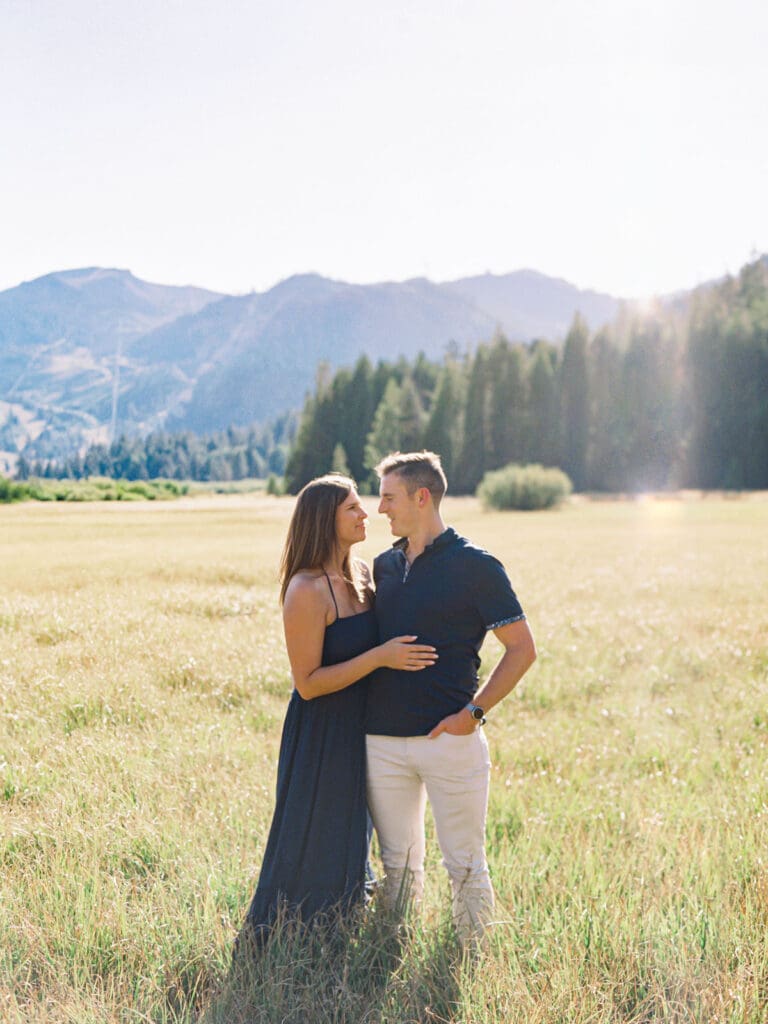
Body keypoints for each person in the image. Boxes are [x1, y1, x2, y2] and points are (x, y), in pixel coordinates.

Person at [236, 473, 437, 952]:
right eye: (353, 508)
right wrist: (380, 657)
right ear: (325, 519)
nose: (366, 514)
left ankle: (343, 928)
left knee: (355, 832)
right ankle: (292, 939)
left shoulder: (364, 574)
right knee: (315, 831)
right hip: (322, 730)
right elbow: (307, 684)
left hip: (365, 725)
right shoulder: (306, 589)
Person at [365, 451, 536, 948]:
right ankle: (391, 951)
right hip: (382, 741)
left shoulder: (476, 566)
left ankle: (471, 960)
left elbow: (522, 650)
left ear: (422, 497)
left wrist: (473, 714)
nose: (380, 510)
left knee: (463, 862)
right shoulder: (384, 565)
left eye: (389, 498)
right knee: (396, 862)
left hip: (451, 740)